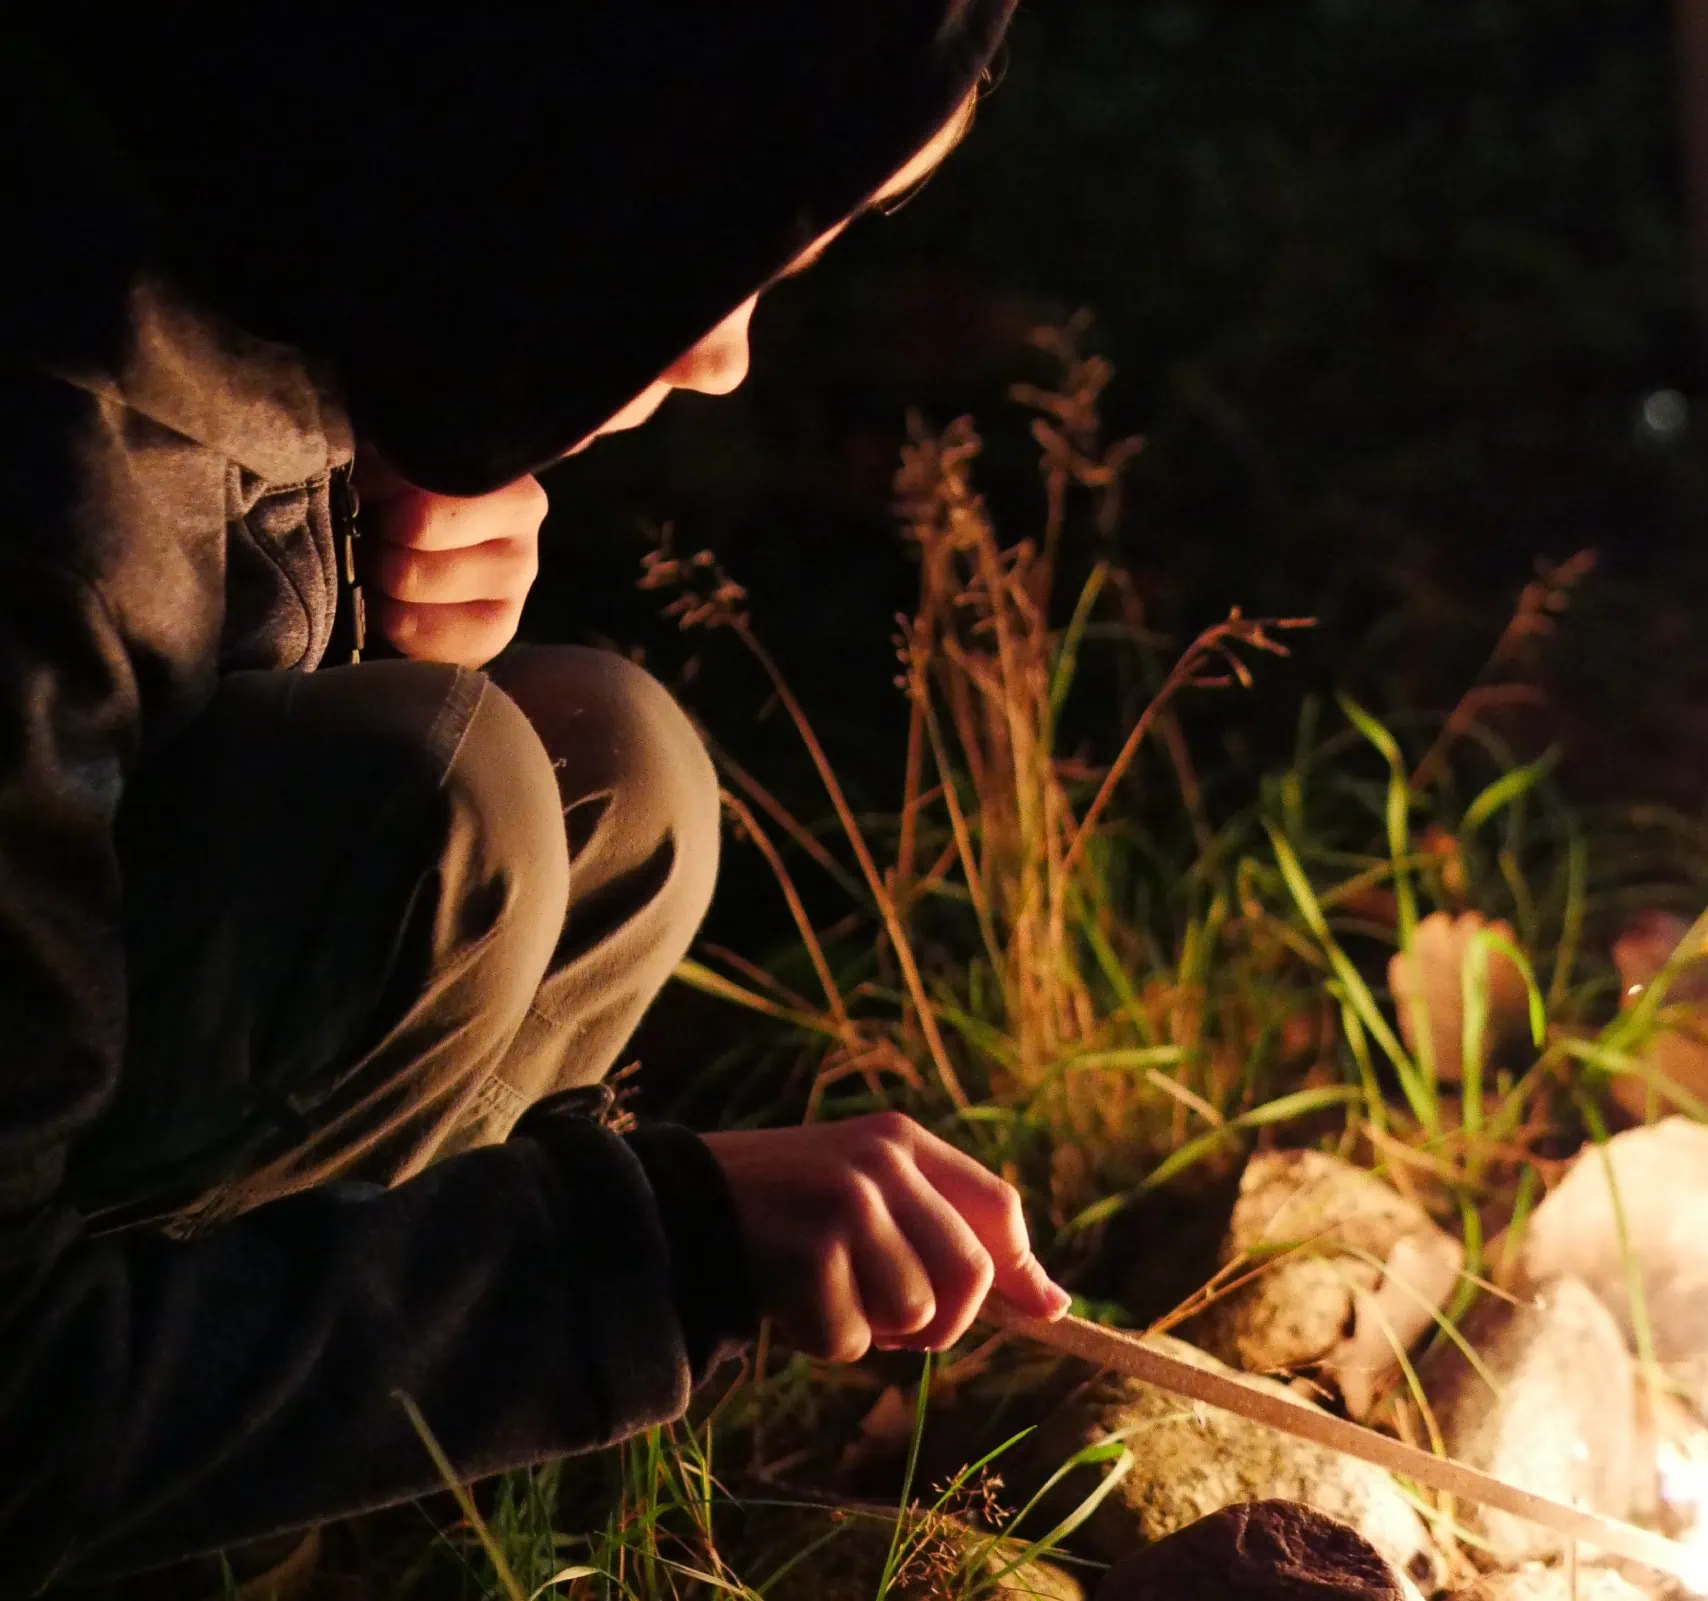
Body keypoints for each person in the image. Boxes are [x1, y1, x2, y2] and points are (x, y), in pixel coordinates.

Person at [0, 4, 1067, 1589]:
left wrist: (345, 553)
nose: (725, 362)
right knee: (444, 807)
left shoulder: (254, 256)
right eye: (734, 251)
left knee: (605, 775)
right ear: (568, 148)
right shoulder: (46, 482)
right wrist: (667, 1249)